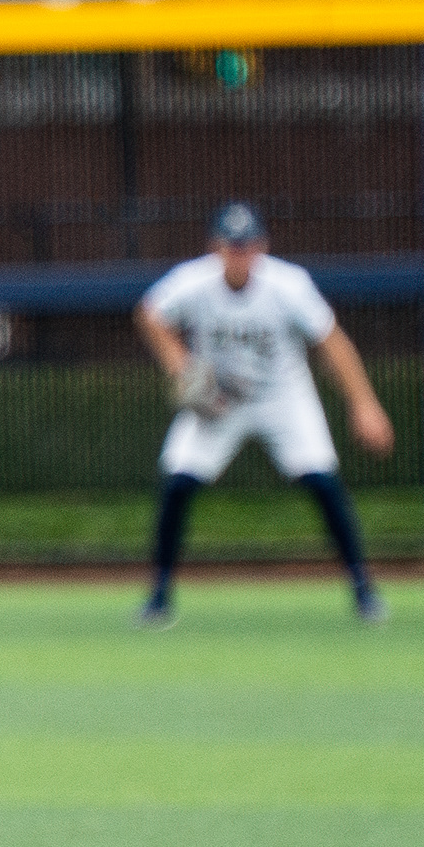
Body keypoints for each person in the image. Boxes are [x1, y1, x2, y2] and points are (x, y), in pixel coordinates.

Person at [132, 204, 394, 627]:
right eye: (231, 246)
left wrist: (365, 404)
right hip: (220, 401)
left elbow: (332, 341)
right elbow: (150, 314)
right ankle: (159, 595)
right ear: (215, 248)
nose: (239, 255)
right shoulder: (193, 282)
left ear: (262, 247)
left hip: (283, 397)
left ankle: (364, 589)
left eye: (247, 246)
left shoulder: (288, 284)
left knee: (322, 482)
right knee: (178, 481)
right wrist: (181, 366)